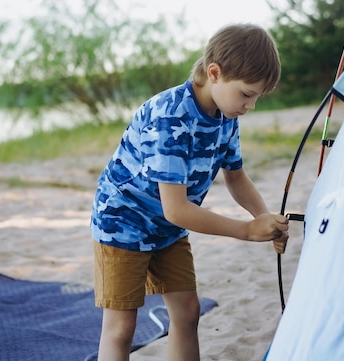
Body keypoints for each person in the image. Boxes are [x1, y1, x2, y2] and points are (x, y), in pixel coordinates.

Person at [90, 23, 289, 361]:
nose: (250, 105)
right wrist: (245, 231)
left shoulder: (226, 118)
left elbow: (236, 177)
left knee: (187, 312)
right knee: (122, 328)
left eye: (256, 97)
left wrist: (263, 217)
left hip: (167, 231)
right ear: (215, 73)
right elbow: (177, 209)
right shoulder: (171, 117)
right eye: (246, 94)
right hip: (123, 224)